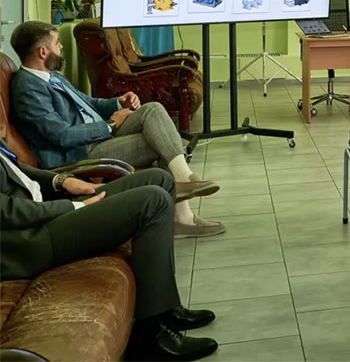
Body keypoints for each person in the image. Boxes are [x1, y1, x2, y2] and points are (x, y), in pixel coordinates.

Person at [0, 140, 219, 361]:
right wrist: (74, 206)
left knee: (160, 179)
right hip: (30, 240)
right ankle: (151, 334)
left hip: (45, 209)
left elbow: (14, 168)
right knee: (153, 201)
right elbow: (6, 211)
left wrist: (61, 180)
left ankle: (166, 307)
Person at [9, 21, 224, 238]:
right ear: (43, 51)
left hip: (97, 135)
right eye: (57, 43)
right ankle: (182, 217)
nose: (61, 46)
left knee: (153, 110)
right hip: (81, 151)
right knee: (158, 141)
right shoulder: (28, 88)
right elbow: (61, 136)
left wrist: (118, 102)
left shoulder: (51, 76)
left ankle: (183, 179)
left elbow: (89, 103)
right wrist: (110, 125)